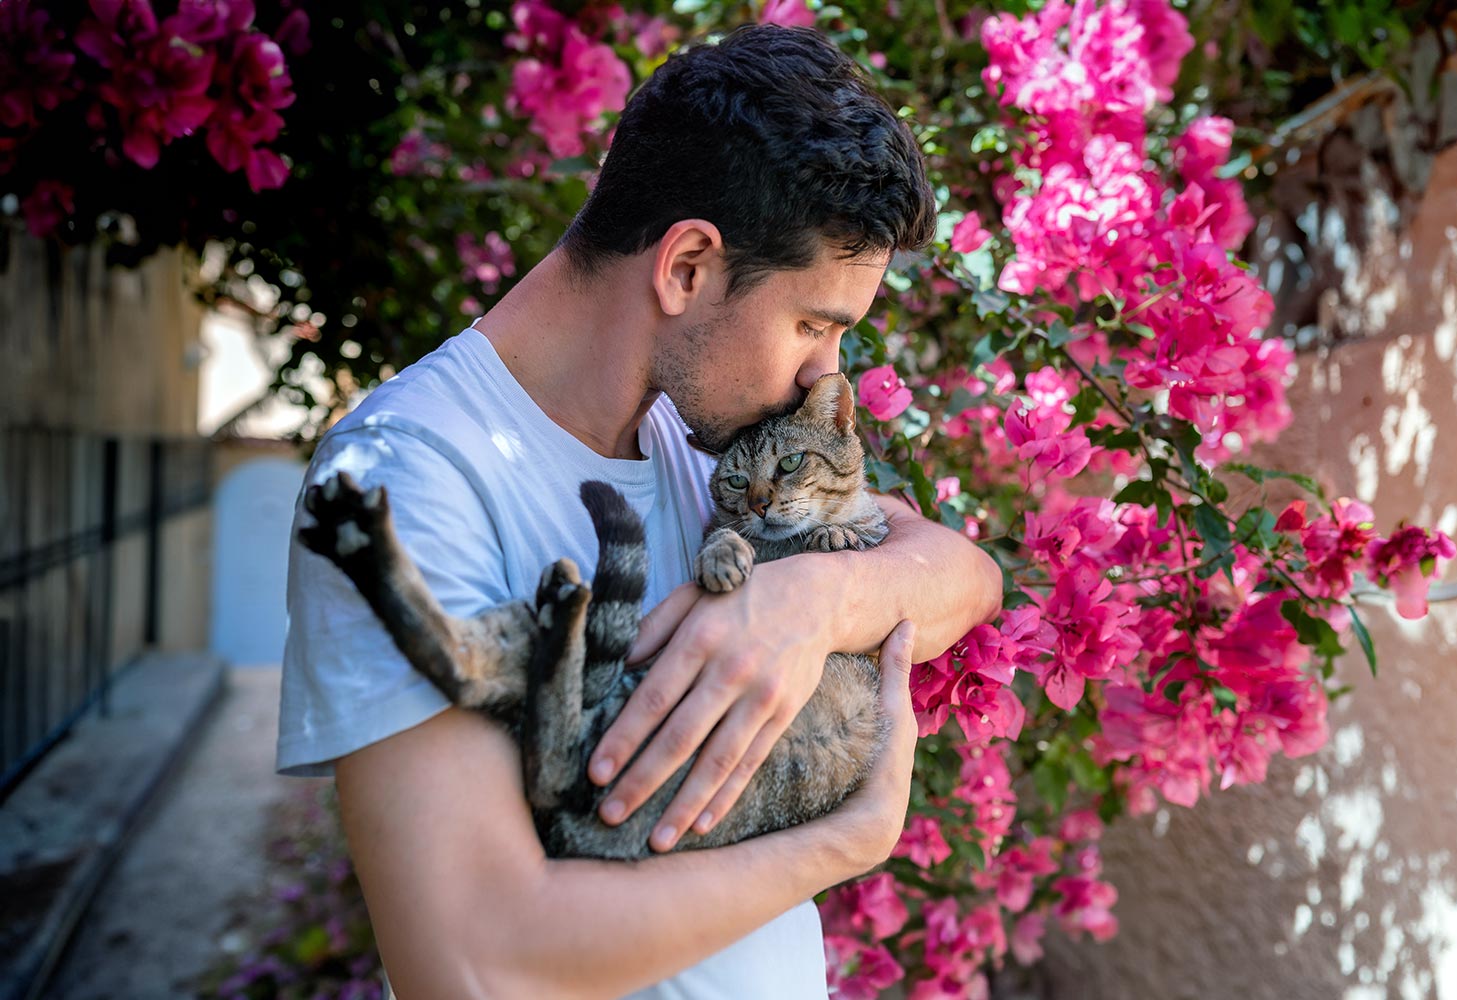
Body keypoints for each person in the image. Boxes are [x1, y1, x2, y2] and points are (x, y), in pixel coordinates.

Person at [277, 23, 1003, 999]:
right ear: (687, 267)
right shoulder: (409, 479)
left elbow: (960, 570)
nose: (823, 372)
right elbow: (479, 961)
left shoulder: (703, 434)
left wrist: (815, 601)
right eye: (813, 323)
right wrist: (844, 842)